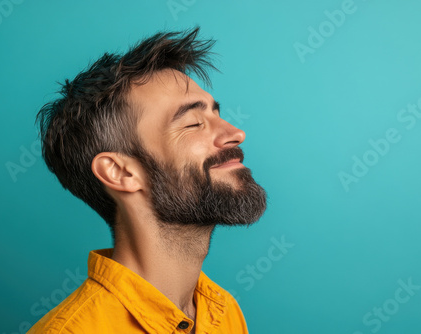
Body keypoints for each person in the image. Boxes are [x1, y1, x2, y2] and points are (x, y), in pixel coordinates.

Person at [28, 27, 267, 334]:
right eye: (193, 123)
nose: (235, 133)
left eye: (217, 114)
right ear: (121, 173)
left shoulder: (222, 312)